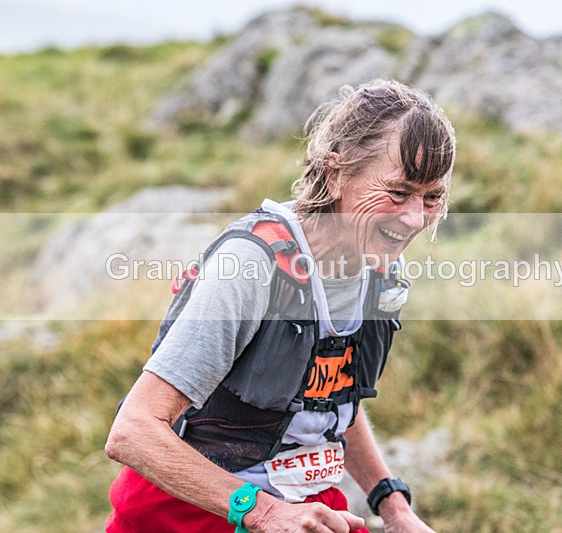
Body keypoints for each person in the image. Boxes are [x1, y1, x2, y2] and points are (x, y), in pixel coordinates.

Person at [105, 78, 456, 533]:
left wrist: (393, 506)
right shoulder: (252, 266)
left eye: (432, 198)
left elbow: (328, 402)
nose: (414, 218)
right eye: (398, 191)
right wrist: (265, 512)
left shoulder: (373, 262)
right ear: (336, 174)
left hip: (308, 507)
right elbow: (133, 432)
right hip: (192, 513)